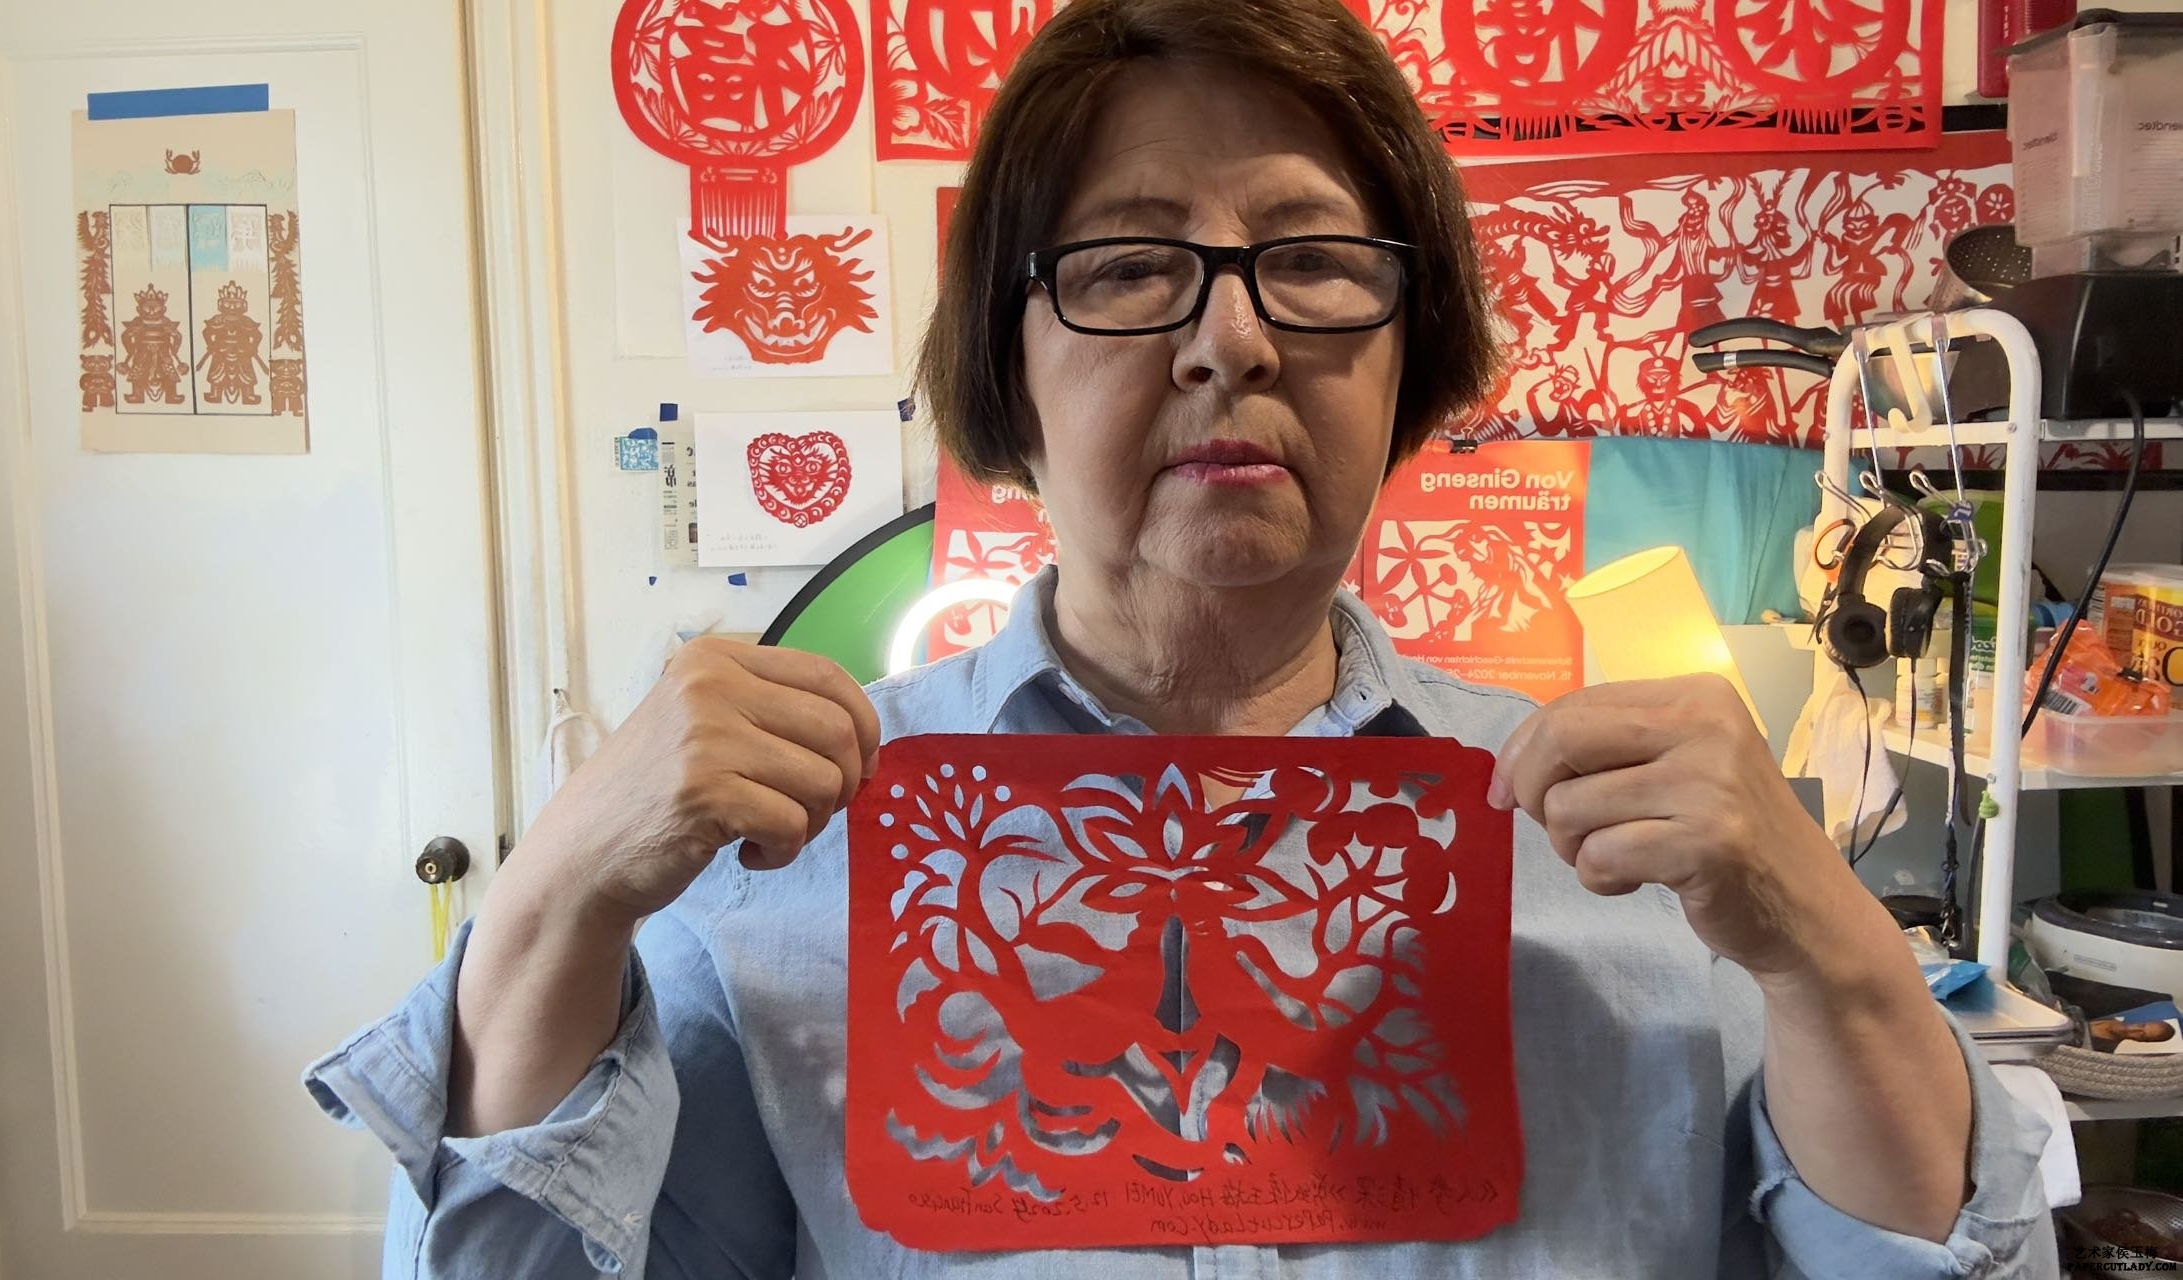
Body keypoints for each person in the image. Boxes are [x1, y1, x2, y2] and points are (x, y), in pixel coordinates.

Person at [305, 1, 2056, 1275]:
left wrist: (1837, 956)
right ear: (1008, 369)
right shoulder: (782, 869)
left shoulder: (1643, 874)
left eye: (1316, 260)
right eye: (1129, 267)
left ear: (1409, 353)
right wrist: (549, 903)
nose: (1232, 340)